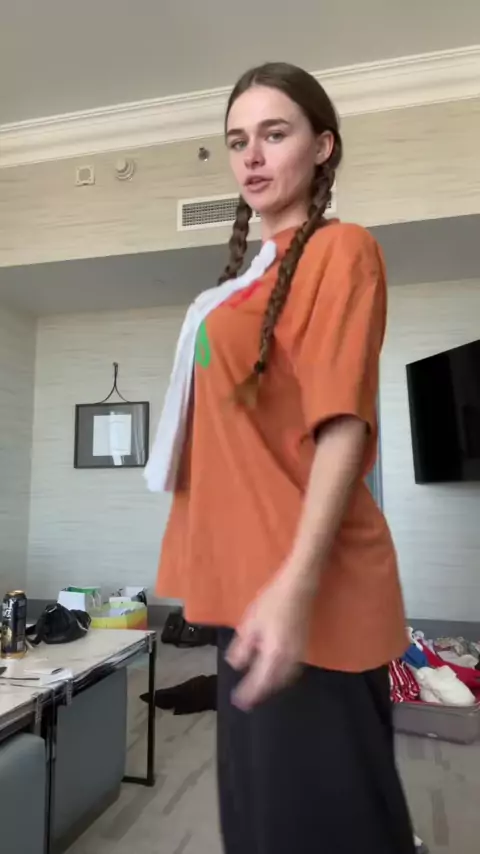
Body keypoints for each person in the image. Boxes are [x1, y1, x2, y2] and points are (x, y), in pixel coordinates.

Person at [147, 62, 418, 854]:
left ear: (322, 146)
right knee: (261, 829)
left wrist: (296, 587)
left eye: (275, 133)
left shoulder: (341, 249)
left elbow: (343, 425)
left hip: (306, 591)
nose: (253, 157)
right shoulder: (242, 282)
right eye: (238, 141)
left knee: (324, 831)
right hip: (248, 594)